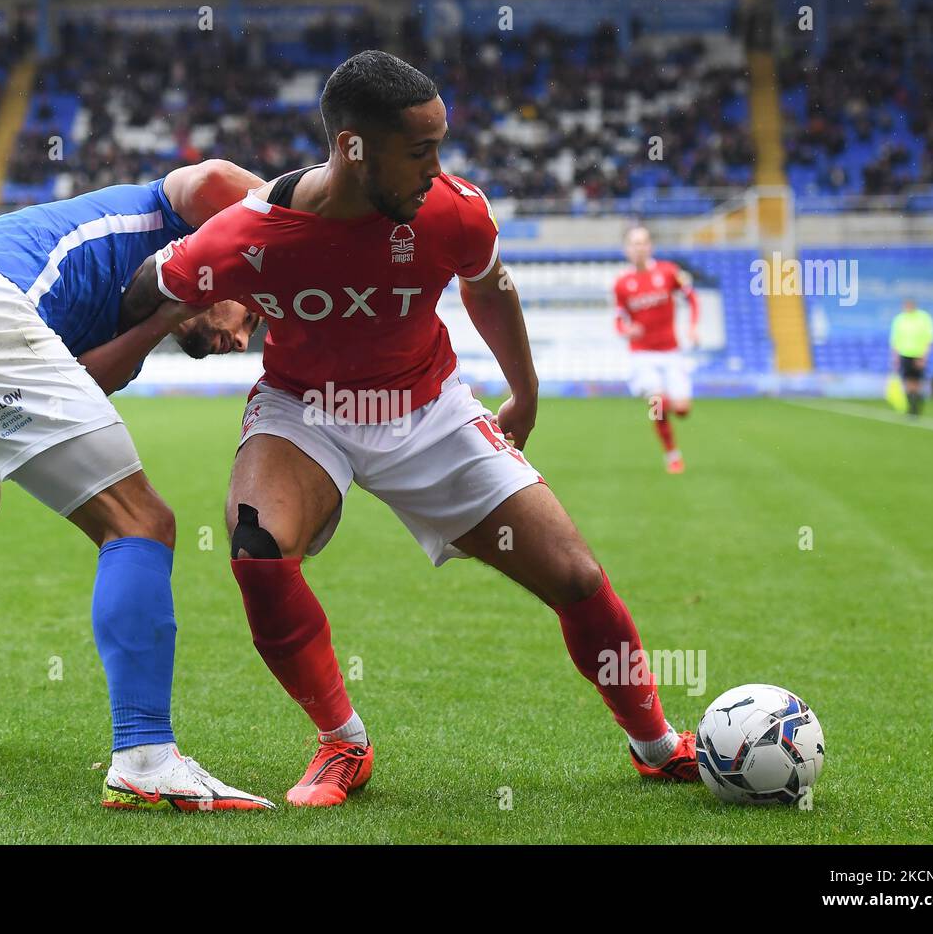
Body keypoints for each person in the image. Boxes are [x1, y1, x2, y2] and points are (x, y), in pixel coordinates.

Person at [108, 51, 699, 807]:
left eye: (439, 146)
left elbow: (491, 289)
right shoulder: (247, 234)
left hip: (431, 409)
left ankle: (654, 744)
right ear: (354, 147)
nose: (436, 167)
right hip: (304, 410)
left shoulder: (452, 209)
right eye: (420, 150)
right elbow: (141, 290)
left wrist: (526, 389)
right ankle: (342, 743)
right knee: (258, 549)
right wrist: (173, 319)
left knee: (577, 579)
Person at [0, 160, 274, 811]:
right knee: (140, 522)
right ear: (227, 266)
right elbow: (212, 177)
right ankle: (145, 759)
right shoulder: (164, 220)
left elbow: (84, 381)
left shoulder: (139, 308)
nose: (239, 337)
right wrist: (322, 217)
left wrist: (168, 317)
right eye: (248, 313)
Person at [612, 225, 699, 474]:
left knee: (681, 410)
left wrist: (693, 327)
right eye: (634, 243)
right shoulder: (622, 283)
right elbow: (618, 319)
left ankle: (664, 400)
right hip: (642, 356)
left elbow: (692, 298)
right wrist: (625, 331)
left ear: (650, 246)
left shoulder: (668, 272)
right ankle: (672, 454)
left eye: (643, 242)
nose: (639, 247)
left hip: (671, 353)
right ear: (626, 249)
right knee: (658, 404)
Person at [890, 299, 933, 416]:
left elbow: (929, 338)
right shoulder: (899, 319)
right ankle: (911, 407)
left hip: (918, 355)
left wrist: (924, 356)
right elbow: (895, 339)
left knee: (917, 382)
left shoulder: (924, 318)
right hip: (904, 354)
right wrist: (895, 357)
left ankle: (917, 406)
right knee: (907, 381)